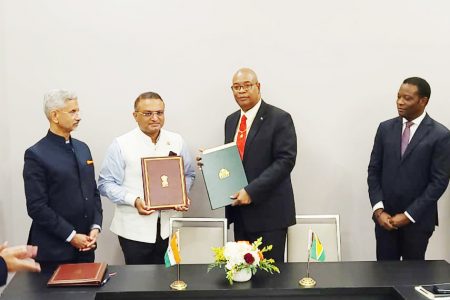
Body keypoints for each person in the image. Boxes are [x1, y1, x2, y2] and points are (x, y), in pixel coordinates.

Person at [98, 92, 195, 265]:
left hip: (170, 227)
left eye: (159, 112)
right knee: (139, 283)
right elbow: (106, 184)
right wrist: (133, 200)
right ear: (135, 116)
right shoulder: (121, 144)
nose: (155, 118)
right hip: (134, 229)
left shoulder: (176, 140)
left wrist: (182, 194)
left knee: (170, 278)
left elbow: (188, 174)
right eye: (148, 113)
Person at [368, 77, 450, 260]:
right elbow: (374, 170)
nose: (400, 102)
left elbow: (439, 182)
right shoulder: (385, 128)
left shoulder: (440, 135)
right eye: (398, 97)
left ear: (423, 101)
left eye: (407, 98)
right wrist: (378, 210)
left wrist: (408, 215)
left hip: (417, 222)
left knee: (411, 281)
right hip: (385, 221)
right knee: (384, 279)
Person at [221, 68, 297, 263]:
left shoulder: (279, 118)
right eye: (236, 87)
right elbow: (233, 161)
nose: (241, 91)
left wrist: (251, 191)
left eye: (247, 86)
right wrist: (212, 163)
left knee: (270, 279)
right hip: (239, 214)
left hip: (269, 215)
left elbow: (285, 161)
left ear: (258, 87)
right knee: (243, 275)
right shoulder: (231, 121)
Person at [23, 90, 103, 271]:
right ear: (55, 116)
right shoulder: (36, 154)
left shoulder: (83, 148)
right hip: (54, 251)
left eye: (78, 110)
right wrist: (71, 235)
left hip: (86, 247)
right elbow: (36, 207)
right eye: (72, 112)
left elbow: (93, 192)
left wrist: (95, 226)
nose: (78, 117)